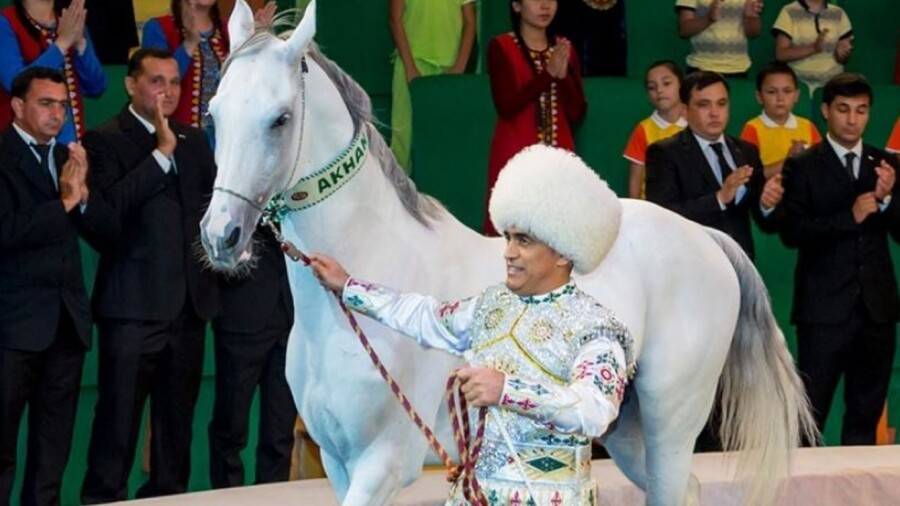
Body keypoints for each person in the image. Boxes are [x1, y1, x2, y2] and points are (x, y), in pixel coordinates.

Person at [310, 145, 634, 505]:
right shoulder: (490, 306)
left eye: (524, 241)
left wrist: (506, 389)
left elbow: (595, 410)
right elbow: (424, 317)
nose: (508, 252)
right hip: (474, 495)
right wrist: (349, 287)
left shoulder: (596, 328)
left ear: (562, 252)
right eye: (508, 237)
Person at [79, 48, 219, 503]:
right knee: (116, 426)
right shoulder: (104, 140)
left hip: (188, 312)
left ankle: (167, 497)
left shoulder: (194, 141)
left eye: (175, 82)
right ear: (130, 85)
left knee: (175, 432)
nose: (169, 91)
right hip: (131, 312)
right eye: (157, 81)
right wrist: (160, 155)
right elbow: (105, 221)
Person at [0, 65, 110, 506]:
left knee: (53, 451)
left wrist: (82, 200)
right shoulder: (2, 156)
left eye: (62, 106)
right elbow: (6, 232)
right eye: (46, 104)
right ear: (17, 106)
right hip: (12, 330)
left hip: (66, 327)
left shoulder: (69, 158)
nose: (57, 114)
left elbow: (103, 233)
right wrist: (64, 202)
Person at [780, 73, 899, 445]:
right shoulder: (803, 165)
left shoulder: (886, 164)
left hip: (876, 311)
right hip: (824, 311)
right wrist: (850, 217)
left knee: (866, 413)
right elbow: (792, 231)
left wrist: (888, 199)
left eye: (861, 110)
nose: (852, 119)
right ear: (826, 111)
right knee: (810, 416)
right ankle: (803, 481)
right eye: (844, 109)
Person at [646, 71, 784, 261]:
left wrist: (767, 204)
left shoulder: (746, 151)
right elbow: (663, 217)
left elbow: (766, 223)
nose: (714, 113)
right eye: (704, 104)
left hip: (740, 265)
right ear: (685, 111)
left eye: (721, 103)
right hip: (692, 264)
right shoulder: (665, 153)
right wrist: (719, 198)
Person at [484, 0, 586, 235]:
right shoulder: (501, 46)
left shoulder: (563, 48)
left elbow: (577, 112)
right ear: (516, 6)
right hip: (515, 156)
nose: (545, 5)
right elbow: (506, 106)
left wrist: (562, 77)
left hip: (559, 155)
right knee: (513, 231)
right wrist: (547, 74)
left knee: (559, 235)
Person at [209, 225, 296, 489]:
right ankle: (226, 497)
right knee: (230, 428)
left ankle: (273, 498)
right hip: (242, 311)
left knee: (280, 434)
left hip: (291, 317)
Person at [141, 0, 276, 141]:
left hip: (225, 140)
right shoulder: (159, 28)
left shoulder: (229, 29)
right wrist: (190, 43)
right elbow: (156, 86)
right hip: (177, 140)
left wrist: (256, 41)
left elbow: (248, 86)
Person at [0, 0, 106, 144]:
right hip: (23, 148)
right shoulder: (5, 22)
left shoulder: (68, 20)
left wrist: (80, 43)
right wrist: (62, 43)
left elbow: (97, 87)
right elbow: (15, 83)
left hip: (72, 145)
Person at [388, 0, 476, 172]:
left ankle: (441, 185)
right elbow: (394, 19)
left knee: (444, 135)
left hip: (449, 68)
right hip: (411, 63)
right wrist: (410, 67)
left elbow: (470, 22)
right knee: (403, 137)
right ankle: (398, 185)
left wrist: (459, 66)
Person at [740, 62, 822, 178]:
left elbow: (822, 164)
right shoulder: (752, 128)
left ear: (796, 95)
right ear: (759, 97)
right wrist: (789, 160)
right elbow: (751, 176)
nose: (780, 98)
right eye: (772, 92)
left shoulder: (808, 126)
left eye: (787, 91)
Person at [623, 60, 687, 199]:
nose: (659, 90)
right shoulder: (643, 129)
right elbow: (635, 180)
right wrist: (635, 208)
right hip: (654, 205)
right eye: (652, 87)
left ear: (682, 85)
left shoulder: (696, 122)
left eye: (666, 83)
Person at [773, 0, 853, 93]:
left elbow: (843, 59)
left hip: (832, 86)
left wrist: (842, 53)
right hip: (799, 86)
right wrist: (813, 48)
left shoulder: (839, 13)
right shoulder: (789, 11)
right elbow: (781, 54)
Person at [675, 0, 763, 77]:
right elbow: (684, 30)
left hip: (739, 68)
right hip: (701, 66)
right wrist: (708, 18)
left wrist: (750, 17)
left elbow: (754, 33)